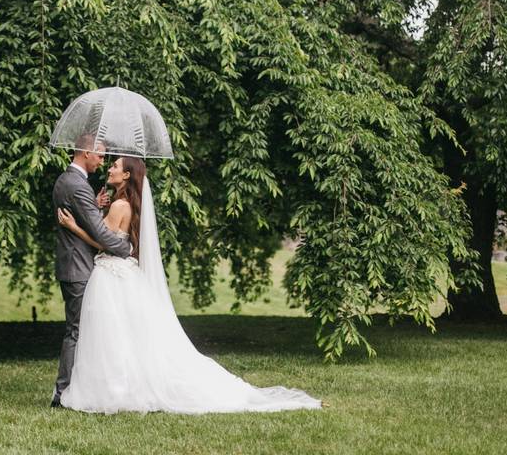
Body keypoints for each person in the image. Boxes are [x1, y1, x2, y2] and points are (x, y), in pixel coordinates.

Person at [56, 155, 322, 414]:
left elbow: (106, 243)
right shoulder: (125, 203)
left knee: (111, 335)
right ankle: (122, 386)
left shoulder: (119, 206)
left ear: (127, 175)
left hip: (111, 273)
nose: (109, 169)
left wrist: (72, 226)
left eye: (114, 166)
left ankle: (114, 387)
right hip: (122, 273)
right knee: (123, 335)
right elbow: (118, 239)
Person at [50, 134, 134, 408]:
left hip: (71, 264)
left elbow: (88, 220)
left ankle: (79, 389)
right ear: (86, 153)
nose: (103, 162)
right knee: (76, 332)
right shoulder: (79, 186)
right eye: (100, 156)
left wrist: (92, 209)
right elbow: (99, 233)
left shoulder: (67, 180)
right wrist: (125, 249)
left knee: (82, 330)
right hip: (79, 267)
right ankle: (62, 393)